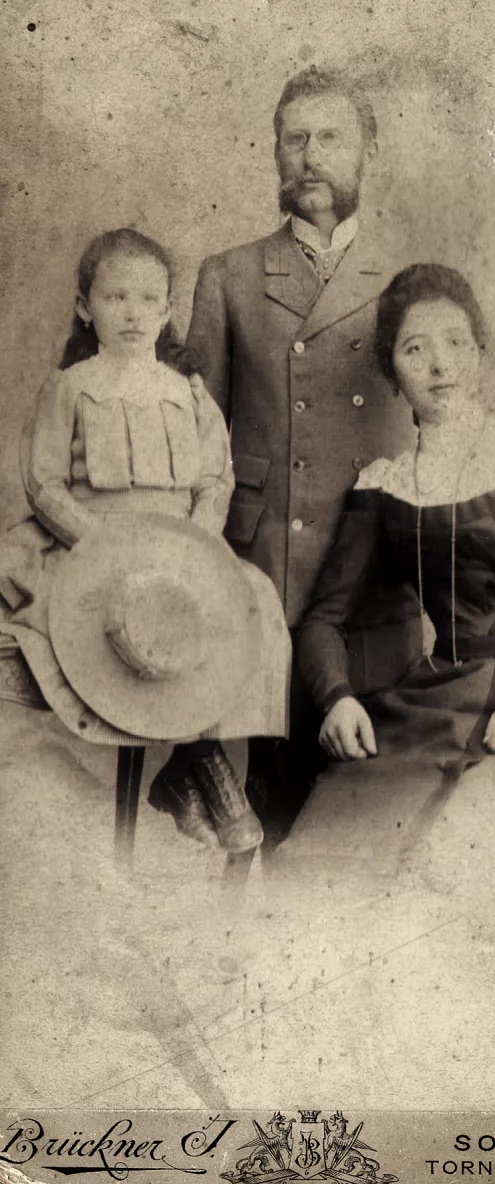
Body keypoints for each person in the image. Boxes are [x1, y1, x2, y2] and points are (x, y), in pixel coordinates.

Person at [281, 262, 495, 890]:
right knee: (322, 865)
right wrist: (336, 697)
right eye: (415, 349)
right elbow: (323, 619)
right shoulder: (385, 486)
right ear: (392, 373)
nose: (441, 366)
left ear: (480, 350)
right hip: (431, 701)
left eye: (456, 342)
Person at [0, 228, 290, 855]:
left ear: (166, 310)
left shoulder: (187, 392)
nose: (132, 313)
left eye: (148, 299)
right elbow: (45, 485)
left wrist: (195, 545)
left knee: (253, 600)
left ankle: (193, 764)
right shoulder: (70, 387)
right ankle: (202, 767)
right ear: (86, 308)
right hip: (90, 548)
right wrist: (105, 545)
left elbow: (214, 481)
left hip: (180, 550)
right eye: (116, 297)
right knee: (119, 618)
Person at [186, 66, 421, 835]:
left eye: (330, 138)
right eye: (295, 139)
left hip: (378, 579)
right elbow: (197, 442)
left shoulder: (410, 281)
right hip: (267, 574)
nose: (311, 156)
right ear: (275, 152)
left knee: (373, 809)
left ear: (368, 151)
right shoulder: (229, 276)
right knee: (273, 808)